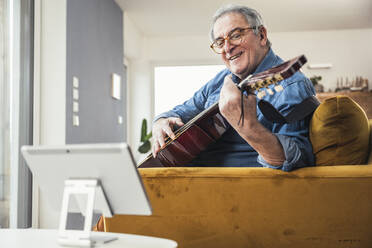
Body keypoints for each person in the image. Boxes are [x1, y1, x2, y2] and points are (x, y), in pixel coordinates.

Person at [151, 4, 316, 172]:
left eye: (236, 35)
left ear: (262, 35)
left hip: (237, 190)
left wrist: (248, 127)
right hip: (188, 180)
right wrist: (161, 120)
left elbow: (299, 163)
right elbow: (183, 110)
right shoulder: (222, 79)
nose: (227, 48)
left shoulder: (291, 85)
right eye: (220, 42)